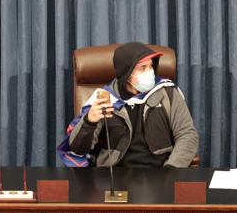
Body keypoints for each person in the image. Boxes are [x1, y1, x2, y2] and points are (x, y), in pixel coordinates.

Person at [58, 42, 198, 168]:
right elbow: (78, 149)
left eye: (150, 66)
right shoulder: (105, 99)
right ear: (127, 73)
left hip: (160, 172)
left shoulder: (168, 93)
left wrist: (171, 170)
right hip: (114, 176)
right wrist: (89, 121)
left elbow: (187, 135)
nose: (149, 72)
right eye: (142, 68)